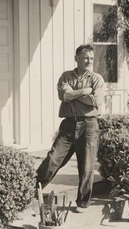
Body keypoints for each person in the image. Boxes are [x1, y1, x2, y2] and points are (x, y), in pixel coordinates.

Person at [36, 44, 105, 213]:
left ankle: (82, 202)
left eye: (91, 58)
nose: (89, 61)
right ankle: (30, 191)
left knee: (87, 165)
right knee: (53, 159)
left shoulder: (97, 78)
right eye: (85, 58)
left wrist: (74, 95)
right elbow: (64, 95)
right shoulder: (66, 76)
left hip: (89, 125)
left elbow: (96, 101)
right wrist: (85, 91)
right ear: (77, 58)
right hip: (68, 124)